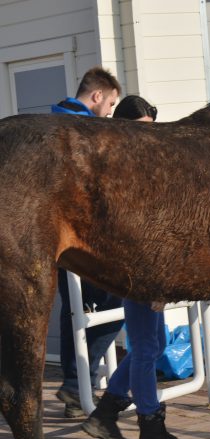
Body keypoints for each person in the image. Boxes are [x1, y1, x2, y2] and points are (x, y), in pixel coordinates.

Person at [81, 95, 193, 439]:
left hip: (142, 266)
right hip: (139, 268)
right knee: (146, 347)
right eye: (141, 131)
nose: (148, 139)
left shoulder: (128, 161)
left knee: (153, 345)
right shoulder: (121, 165)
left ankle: (106, 412)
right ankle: (150, 426)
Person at [52, 66, 124, 418]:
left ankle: (74, 382)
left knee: (73, 313)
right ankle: (75, 382)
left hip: (58, 238)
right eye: (110, 104)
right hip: (83, 237)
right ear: (96, 96)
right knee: (116, 305)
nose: (110, 112)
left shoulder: (53, 121)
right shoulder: (84, 129)